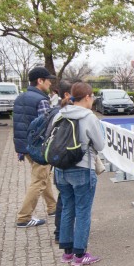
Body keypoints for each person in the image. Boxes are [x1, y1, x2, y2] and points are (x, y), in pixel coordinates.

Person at [55, 82, 105, 266]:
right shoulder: (89, 117)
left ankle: (67, 253)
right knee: (83, 211)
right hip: (82, 167)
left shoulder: (60, 113)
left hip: (60, 168)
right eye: (92, 97)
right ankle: (80, 254)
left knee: (68, 208)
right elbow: (100, 145)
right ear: (87, 97)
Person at [13, 66, 57, 228]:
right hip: (39, 147)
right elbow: (47, 126)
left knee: (44, 177)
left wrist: (20, 148)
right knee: (39, 181)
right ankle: (24, 217)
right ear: (40, 81)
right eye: (48, 80)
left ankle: (53, 208)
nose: (50, 84)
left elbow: (18, 125)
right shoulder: (41, 100)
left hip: (25, 146)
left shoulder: (20, 98)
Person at [52, 80, 73, 243]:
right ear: (67, 94)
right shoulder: (73, 114)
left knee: (64, 200)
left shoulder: (55, 112)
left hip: (58, 164)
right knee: (69, 203)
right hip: (71, 164)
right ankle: (66, 237)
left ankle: (61, 233)